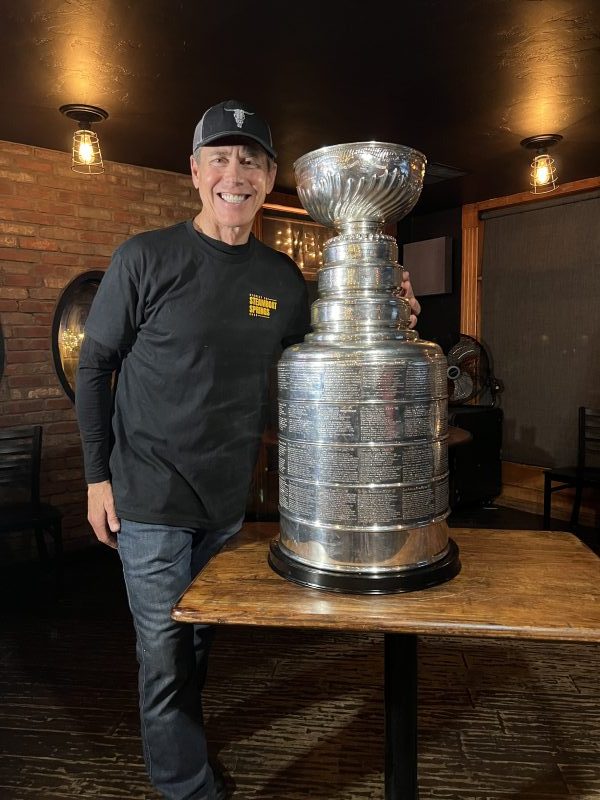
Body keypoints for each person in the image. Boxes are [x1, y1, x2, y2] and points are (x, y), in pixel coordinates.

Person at [76, 99, 421, 800]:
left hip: (225, 503)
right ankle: (188, 788)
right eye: (222, 159)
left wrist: (388, 310)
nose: (236, 175)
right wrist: (95, 479)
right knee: (166, 653)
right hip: (148, 495)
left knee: (196, 643)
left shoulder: (280, 282)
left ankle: (182, 745)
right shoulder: (147, 256)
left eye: (252, 162)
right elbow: (93, 364)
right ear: (196, 170)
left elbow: (322, 359)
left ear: (268, 179)